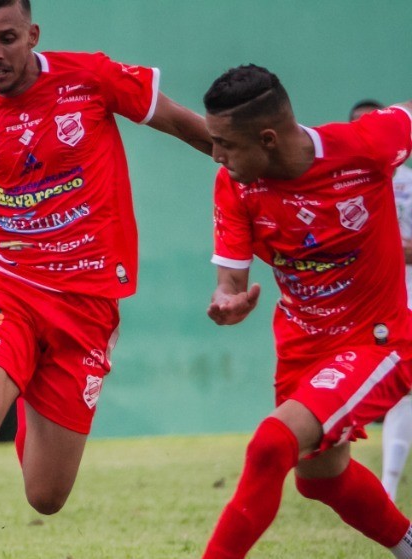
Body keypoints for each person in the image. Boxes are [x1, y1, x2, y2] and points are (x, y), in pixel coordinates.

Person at [0, 1, 213, 556]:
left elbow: (184, 123)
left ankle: (27, 385)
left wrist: (255, 166)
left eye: (7, 38)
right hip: (6, 287)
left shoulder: (90, 78)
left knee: (46, 496)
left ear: (33, 34)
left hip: (86, 302)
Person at [201, 64, 412, 559]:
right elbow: (230, 281)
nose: (215, 154)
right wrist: (226, 302)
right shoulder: (234, 184)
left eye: (225, 144)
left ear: (268, 138)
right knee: (321, 479)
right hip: (300, 345)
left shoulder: (367, 144)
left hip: (376, 339)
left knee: (270, 446)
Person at [354, 99, 412, 500]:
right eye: (358, 126)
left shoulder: (407, 182)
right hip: (364, 294)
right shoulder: (339, 183)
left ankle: (387, 489)